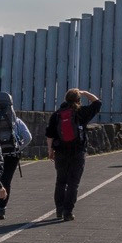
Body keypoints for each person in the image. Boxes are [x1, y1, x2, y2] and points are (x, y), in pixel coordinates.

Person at [46, 88, 102, 221]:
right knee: (73, 183)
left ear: (65, 99)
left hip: (60, 151)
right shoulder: (81, 112)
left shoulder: (57, 114)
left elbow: (50, 134)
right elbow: (97, 103)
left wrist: (50, 150)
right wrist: (84, 93)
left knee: (60, 181)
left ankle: (59, 209)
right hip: (78, 151)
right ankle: (68, 212)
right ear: (78, 100)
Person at [0, 91, 29, 221]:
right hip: (12, 154)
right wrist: (18, 147)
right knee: (7, 181)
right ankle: (2, 208)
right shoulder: (15, 120)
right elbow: (28, 137)